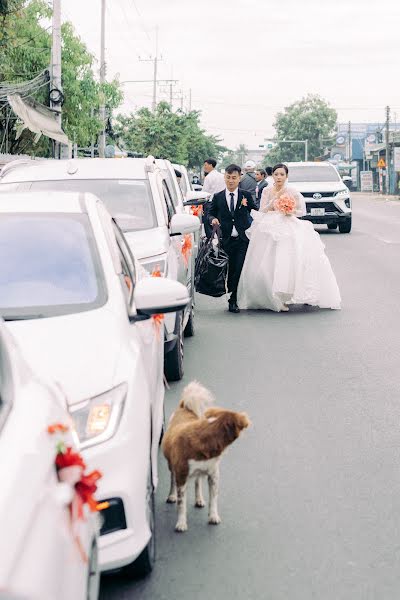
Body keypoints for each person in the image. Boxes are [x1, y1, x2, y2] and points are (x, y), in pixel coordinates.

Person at [237, 163, 341, 312]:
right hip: (270, 224)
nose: (279, 177)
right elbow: (262, 210)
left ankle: (287, 295)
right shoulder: (266, 190)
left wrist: (289, 210)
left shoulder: (292, 191)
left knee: (289, 261)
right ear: (272, 175)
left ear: (286, 176)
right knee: (268, 260)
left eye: (282, 174)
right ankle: (271, 296)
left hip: (288, 223)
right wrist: (274, 204)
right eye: (276, 174)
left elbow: (301, 211)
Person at [209, 164, 257, 313]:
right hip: (226, 239)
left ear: (239, 178)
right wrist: (213, 219)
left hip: (243, 239)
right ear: (224, 177)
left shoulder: (246, 195)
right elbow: (210, 213)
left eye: (234, 178)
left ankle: (233, 300)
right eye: (228, 177)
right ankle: (231, 290)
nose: (231, 181)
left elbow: (255, 211)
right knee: (229, 269)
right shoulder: (218, 197)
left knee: (239, 268)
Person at [201, 158, 225, 238]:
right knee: (220, 223)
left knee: (208, 224)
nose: (204, 167)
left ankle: (210, 243)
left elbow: (204, 193)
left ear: (211, 165)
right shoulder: (222, 176)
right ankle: (220, 241)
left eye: (205, 165)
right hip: (222, 203)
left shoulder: (208, 177)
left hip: (210, 203)